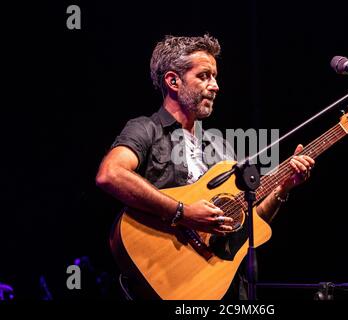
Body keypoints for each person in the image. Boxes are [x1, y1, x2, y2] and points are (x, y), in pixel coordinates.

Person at [95, 34, 315, 300]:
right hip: (170, 273)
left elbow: (245, 227)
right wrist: (183, 212)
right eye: (204, 76)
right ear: (173, 81)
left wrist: (282, 188)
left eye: (215, 76)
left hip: (222, 285)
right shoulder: (146, 129)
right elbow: (111, 174)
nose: (216, 86)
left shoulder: (220, 148)